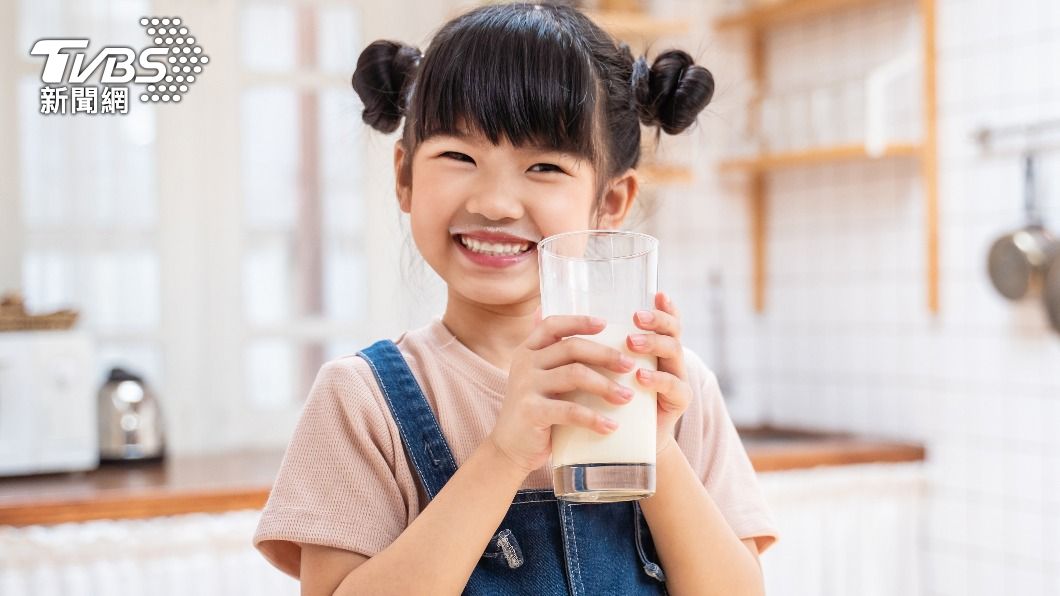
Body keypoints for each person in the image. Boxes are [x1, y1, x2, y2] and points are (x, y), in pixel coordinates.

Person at [253, 3, 778, 594]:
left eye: (545, 166)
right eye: (458, 156)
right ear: (403, 176)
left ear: (610, 203)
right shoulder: (362, 400)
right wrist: (503, 453)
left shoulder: (675, 395)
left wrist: (654, 448)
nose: (497, 203)